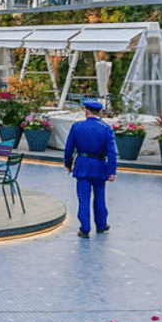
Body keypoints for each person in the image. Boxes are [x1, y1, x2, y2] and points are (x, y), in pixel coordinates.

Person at [63, 99, 117, 238]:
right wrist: (112, 171)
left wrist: (68, 165)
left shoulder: (76, 127)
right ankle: (101, 225)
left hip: (82, 166)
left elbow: (69, 149)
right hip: (99, 166)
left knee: (83, 199)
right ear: (99, 113)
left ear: (86, 112)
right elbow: (111, 152)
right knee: (99, 198)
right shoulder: (106, 128)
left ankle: (85, 228)